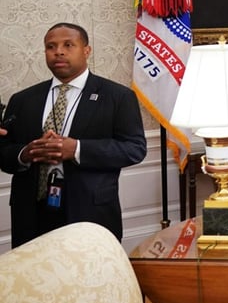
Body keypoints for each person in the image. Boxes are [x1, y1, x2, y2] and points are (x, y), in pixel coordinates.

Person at [0, 23, 146, 247]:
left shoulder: (118, 96)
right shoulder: (22, 99)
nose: (58, 52)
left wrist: (77, 149)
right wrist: (24, 154)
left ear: (86, 50)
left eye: (68, 45)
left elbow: (134, 149)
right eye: (51, 46)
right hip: (31, 214)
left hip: (89, 213)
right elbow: (3, 153)